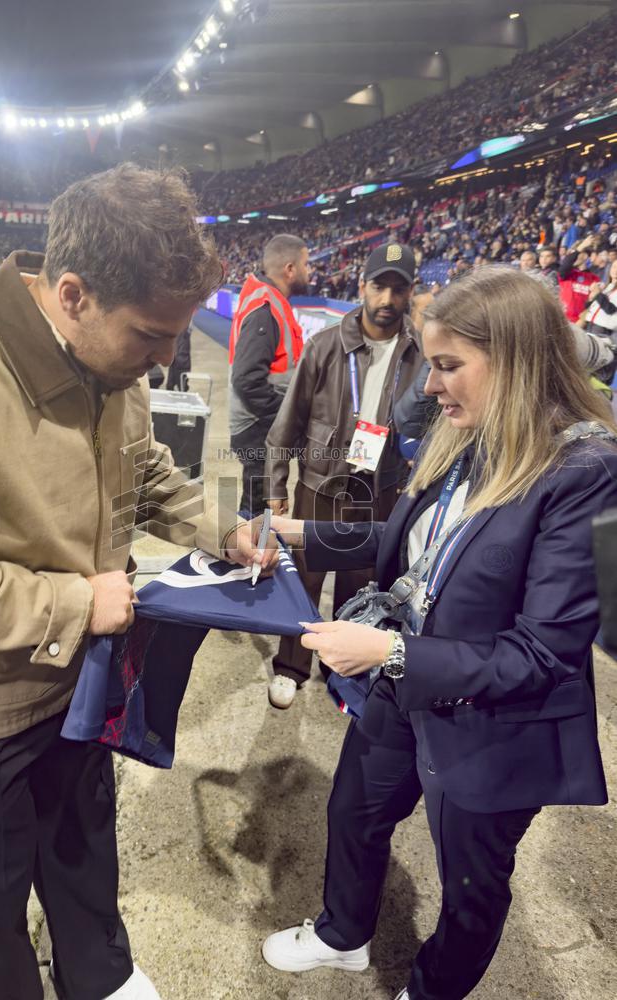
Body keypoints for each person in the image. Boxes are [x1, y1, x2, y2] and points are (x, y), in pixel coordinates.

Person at [0, 164, 275, 1000]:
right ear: (75, 293)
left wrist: (220, 531)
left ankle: (102, 976)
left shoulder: (112, 367)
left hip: (79, 682)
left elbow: (147, 471)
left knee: (85, 840)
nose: (167, 359)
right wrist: (77, 602)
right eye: (151, 335)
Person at [262, 266, 617, 1000]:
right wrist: (289, 529)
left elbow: (546, 655)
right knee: (355, 810)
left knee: (471, 882)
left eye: (449, 366)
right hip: (408, 684)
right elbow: (403, 544)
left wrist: (389, 650)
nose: (429, 385)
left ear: (515, 361)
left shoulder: (588, 472)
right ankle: (343, 934)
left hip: (496, 722)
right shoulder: (469, 436)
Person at [264, 243, 423, 709]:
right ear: (362, 287)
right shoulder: (325, 346)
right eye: (380, 286)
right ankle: (292, 667)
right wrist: (274, 488)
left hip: (380, 491)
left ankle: (341, 673)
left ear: (410, 292)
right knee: (305, 582)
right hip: (320, 485)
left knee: (363, 589)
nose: (388, 298)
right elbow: (285, 426)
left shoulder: (419, 354)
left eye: (398, 288)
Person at [228, 233, 309, 516]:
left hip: (261, 425)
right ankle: (248, 558)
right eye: (306, 264)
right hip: (257, 428)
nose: (309, 271)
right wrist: (287, 416)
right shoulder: (266, 306)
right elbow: (247, 378)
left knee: (258, 512)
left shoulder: (269, 300)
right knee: (257, 516)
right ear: (290, 269)